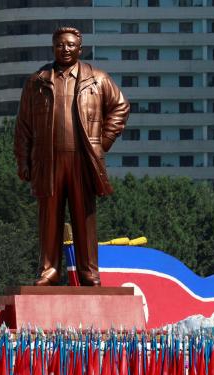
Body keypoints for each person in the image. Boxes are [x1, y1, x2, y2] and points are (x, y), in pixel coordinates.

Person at [14, 26, 129, 286]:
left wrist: (103, 142)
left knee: (84, 216)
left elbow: (120, 107)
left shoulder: (97, 79)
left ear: (80, 48)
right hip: (48, 159)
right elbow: (23, 125)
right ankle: (49, 269)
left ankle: (89, 271)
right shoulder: (37, 81)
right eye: (59, 45)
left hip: (82, 159)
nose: (64, 49)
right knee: (49, 217)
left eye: (69, 45)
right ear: (52, 47)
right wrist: (23, 160)